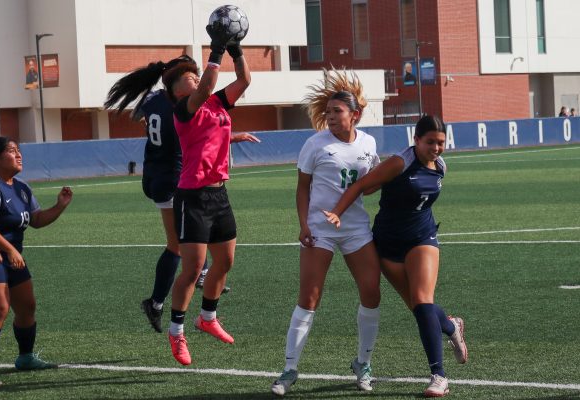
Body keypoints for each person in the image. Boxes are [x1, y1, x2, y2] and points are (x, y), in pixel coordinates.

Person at [105, 57, 258, 334]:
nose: (197, 79)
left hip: (155, 171)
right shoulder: (178, 106)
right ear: (176, 82)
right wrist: (230, 136)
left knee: (182, 242)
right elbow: (191, 135)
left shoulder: (153, 100)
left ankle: (198, 275)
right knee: (177, 245)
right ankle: (158, 301)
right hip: (173, 177)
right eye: (192, 75)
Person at [324, 115, 468, 398]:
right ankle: (452, 325)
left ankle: (439, 376)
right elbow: (360, 186)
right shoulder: (398, 163)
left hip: (422, 238)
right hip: (388, 244)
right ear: (416, 140)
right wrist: (337, 213)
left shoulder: (440, 166)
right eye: (430, 142)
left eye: (441, 142)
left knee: (424, 302)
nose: (437, 148)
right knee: (417, 306)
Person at [271, 69, 382, 396]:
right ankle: (289, 369)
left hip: (356, 229)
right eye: (329, 112)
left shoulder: (368, 143)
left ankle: (363, 363)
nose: (331, 117)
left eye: (338, 112)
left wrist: (387, 179)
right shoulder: (315, 144)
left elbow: (368, 185)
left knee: (372, 292)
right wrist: (304, 225)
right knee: (309, 297)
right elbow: (302, 189)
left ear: (355, 115)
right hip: (319, 230)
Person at [0, 136, 73, 386]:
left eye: (19, 151)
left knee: (27, 308)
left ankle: (25, 357)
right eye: (11, 151)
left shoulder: (21, 186)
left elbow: (37, 220)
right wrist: (9, 249)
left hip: (11, 256)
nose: (19, 155)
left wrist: (59, 206)